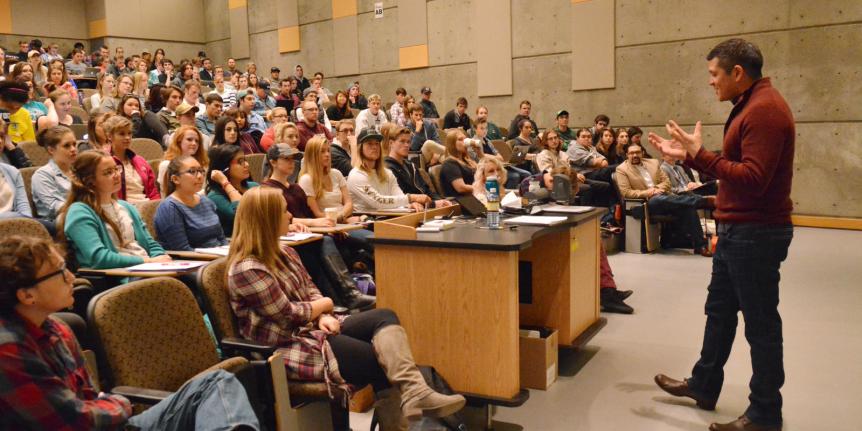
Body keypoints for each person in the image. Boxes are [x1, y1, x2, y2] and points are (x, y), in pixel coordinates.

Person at [649, 38, 795, 431]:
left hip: (755, 234)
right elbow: (736, 167)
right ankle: (704, 384)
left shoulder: (764, 111)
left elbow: (753, 179)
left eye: (714, 75)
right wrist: (690, 157)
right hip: (738, 231)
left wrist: (702, 156)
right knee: (719, 314)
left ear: (736, 73)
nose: (711, 82)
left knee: (761, 326)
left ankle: (765, 413)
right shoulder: (750, 105)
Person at [227, 187, 464, 426]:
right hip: (287, 344)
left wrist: (321, 316)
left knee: (384, 316)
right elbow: (287, 315)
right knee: (379, 360)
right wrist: (325, 306)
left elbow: (309, 288)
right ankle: (408, 406)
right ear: (266, 219)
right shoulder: (247, 268)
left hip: (311, 327)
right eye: (283, 211)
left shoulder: (285, 251)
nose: (290, 215)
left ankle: (414, 393)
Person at [0, 235, 261, 430]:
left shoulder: (57, 327)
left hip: (109, 422)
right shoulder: (8, 350)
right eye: (59, 272)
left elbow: (90, 400)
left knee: (215, 383)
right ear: (26, 295)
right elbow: (77, 420)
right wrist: (121, 404)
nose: (71, 276)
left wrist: (112, 405)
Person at [262, 142, 375, 310]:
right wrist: (314, 224)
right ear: (273, 162)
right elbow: (280, 220)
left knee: (331, 240)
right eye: (287, 159)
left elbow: (308, 215)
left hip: (308, 234)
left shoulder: (295, 188)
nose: (292, 163)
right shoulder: (267, 189)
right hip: (288, 238)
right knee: (324, 244)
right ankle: (346, 297)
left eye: (294, 159)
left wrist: (330, 227)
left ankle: (343, 299)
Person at [58, 151, 169, 269]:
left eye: (116, 169)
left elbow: (151, 244)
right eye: (108, 172)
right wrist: (147, 261)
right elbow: (99, 258)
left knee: (188, 278)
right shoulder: (79, 212)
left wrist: (161, 259)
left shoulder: (127, 207)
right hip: (119, 276)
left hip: (147, 268)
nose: (116, 175)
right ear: (90, 181)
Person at [615, 143, 711, 256]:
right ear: (627, 155)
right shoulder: (622, 169)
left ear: (642, 153)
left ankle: (700, 246)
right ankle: (700, 201)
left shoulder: (653, 163)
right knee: (658, 200)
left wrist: (656, 188)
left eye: (637, 152)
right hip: (647, 203)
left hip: (666, 197)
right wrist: (649, 192)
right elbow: (626, 192)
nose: (635, 155)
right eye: (632, 153)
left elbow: (667, 182)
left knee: (688, 207)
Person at [154, 155, 227, 252]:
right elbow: (182, 250)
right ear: (176, 179)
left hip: (217, 256)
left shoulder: (206, 201)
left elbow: (222, 239)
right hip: (191, 261)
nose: (200, 176)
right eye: (192, 171)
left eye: (201, 171)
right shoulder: (170, 207)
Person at [347, 128, 429, 213]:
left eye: (377, 143)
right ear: (360, 148)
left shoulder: (388, 173)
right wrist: (411, 198)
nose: (374, 147)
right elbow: (378, 201)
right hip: (368, 222)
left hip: (389, 218)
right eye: (369, 144)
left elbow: (399, 196)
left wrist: (410, 205)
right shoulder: (356, 175)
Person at [384, 126, 451, 208]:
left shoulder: (410, 165)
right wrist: (434, 204)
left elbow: (426, 190)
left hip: (425, 208)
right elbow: (402, 197)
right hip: (409, 211)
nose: (406, 145)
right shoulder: (387, 167)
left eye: (408, 142)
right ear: (391, 143)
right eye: (402, 141)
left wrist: (440, 201)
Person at [104, 115, 160, 202]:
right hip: (122, 208)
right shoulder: (104, 162)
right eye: (122, 134)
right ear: (109, 136)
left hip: (147, 206)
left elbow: (153, 192)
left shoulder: (140, 161)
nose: (127, 137)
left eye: (129, 133)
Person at [206, 144, 258, 236]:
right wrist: (225, 183)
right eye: (240, 161)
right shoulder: (215, 197)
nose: (246, 164)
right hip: (233, 245)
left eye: (245, 160)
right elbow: (243, 215)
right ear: (225, 168)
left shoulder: (254, 187)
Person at [32, 127, 76, 220]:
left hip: (83, 216)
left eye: (74, 144)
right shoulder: (42, 175)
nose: (73, 149)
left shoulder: (78, 170)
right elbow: (55, 207)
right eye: (67, 146)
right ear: (51, 150)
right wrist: (87, 209)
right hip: (57, 224)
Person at [566, 128, 616, 211]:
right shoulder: (574, 149)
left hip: (592, 172)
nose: (586, 139)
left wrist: (598, 163)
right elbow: (592, 162)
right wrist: (597, 163)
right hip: (583, 176)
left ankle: (610, 211)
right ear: (577, 138)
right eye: (583, 137)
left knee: (610, 179)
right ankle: (610, 210)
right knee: (612, 169)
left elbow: (604, 161)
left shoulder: (591, 148)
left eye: (589, 137)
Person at [158, 125, 209, 194]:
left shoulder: (202, 163)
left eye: (197, 141)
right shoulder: (166, 165)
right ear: (179, 142)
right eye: (189, 139)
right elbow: (167, 193)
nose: (194, 143)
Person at [439, 129, 477, 197]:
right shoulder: (449, 163)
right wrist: (481, 188)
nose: (464, 142)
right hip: (461, 202)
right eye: (460, 139)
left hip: (475, 197)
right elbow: (461, 188)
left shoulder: (467, 161)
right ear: (452, 144)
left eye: (465, 139)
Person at [0, 80, 36, 145]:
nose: (13, 111)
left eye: (18, 108)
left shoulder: (25, 114)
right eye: (9, 107)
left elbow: (30, 143)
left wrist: (13, 149)